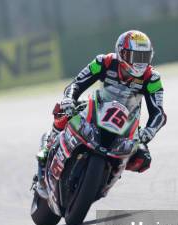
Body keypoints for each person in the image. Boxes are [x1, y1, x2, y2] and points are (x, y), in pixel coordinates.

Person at [37, 30, 166, 182]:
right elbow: (77, 84)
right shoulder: (104, 61)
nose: (139, 62)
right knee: (63, 110)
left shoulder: (152, 78)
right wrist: (69, 99)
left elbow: (158, 113)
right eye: (135, 56)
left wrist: (149, 132)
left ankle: (109, 176)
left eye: (144, 57)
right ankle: (48, 145)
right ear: (121, 53)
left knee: (143, 159)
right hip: (97, 107)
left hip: (127, 122)